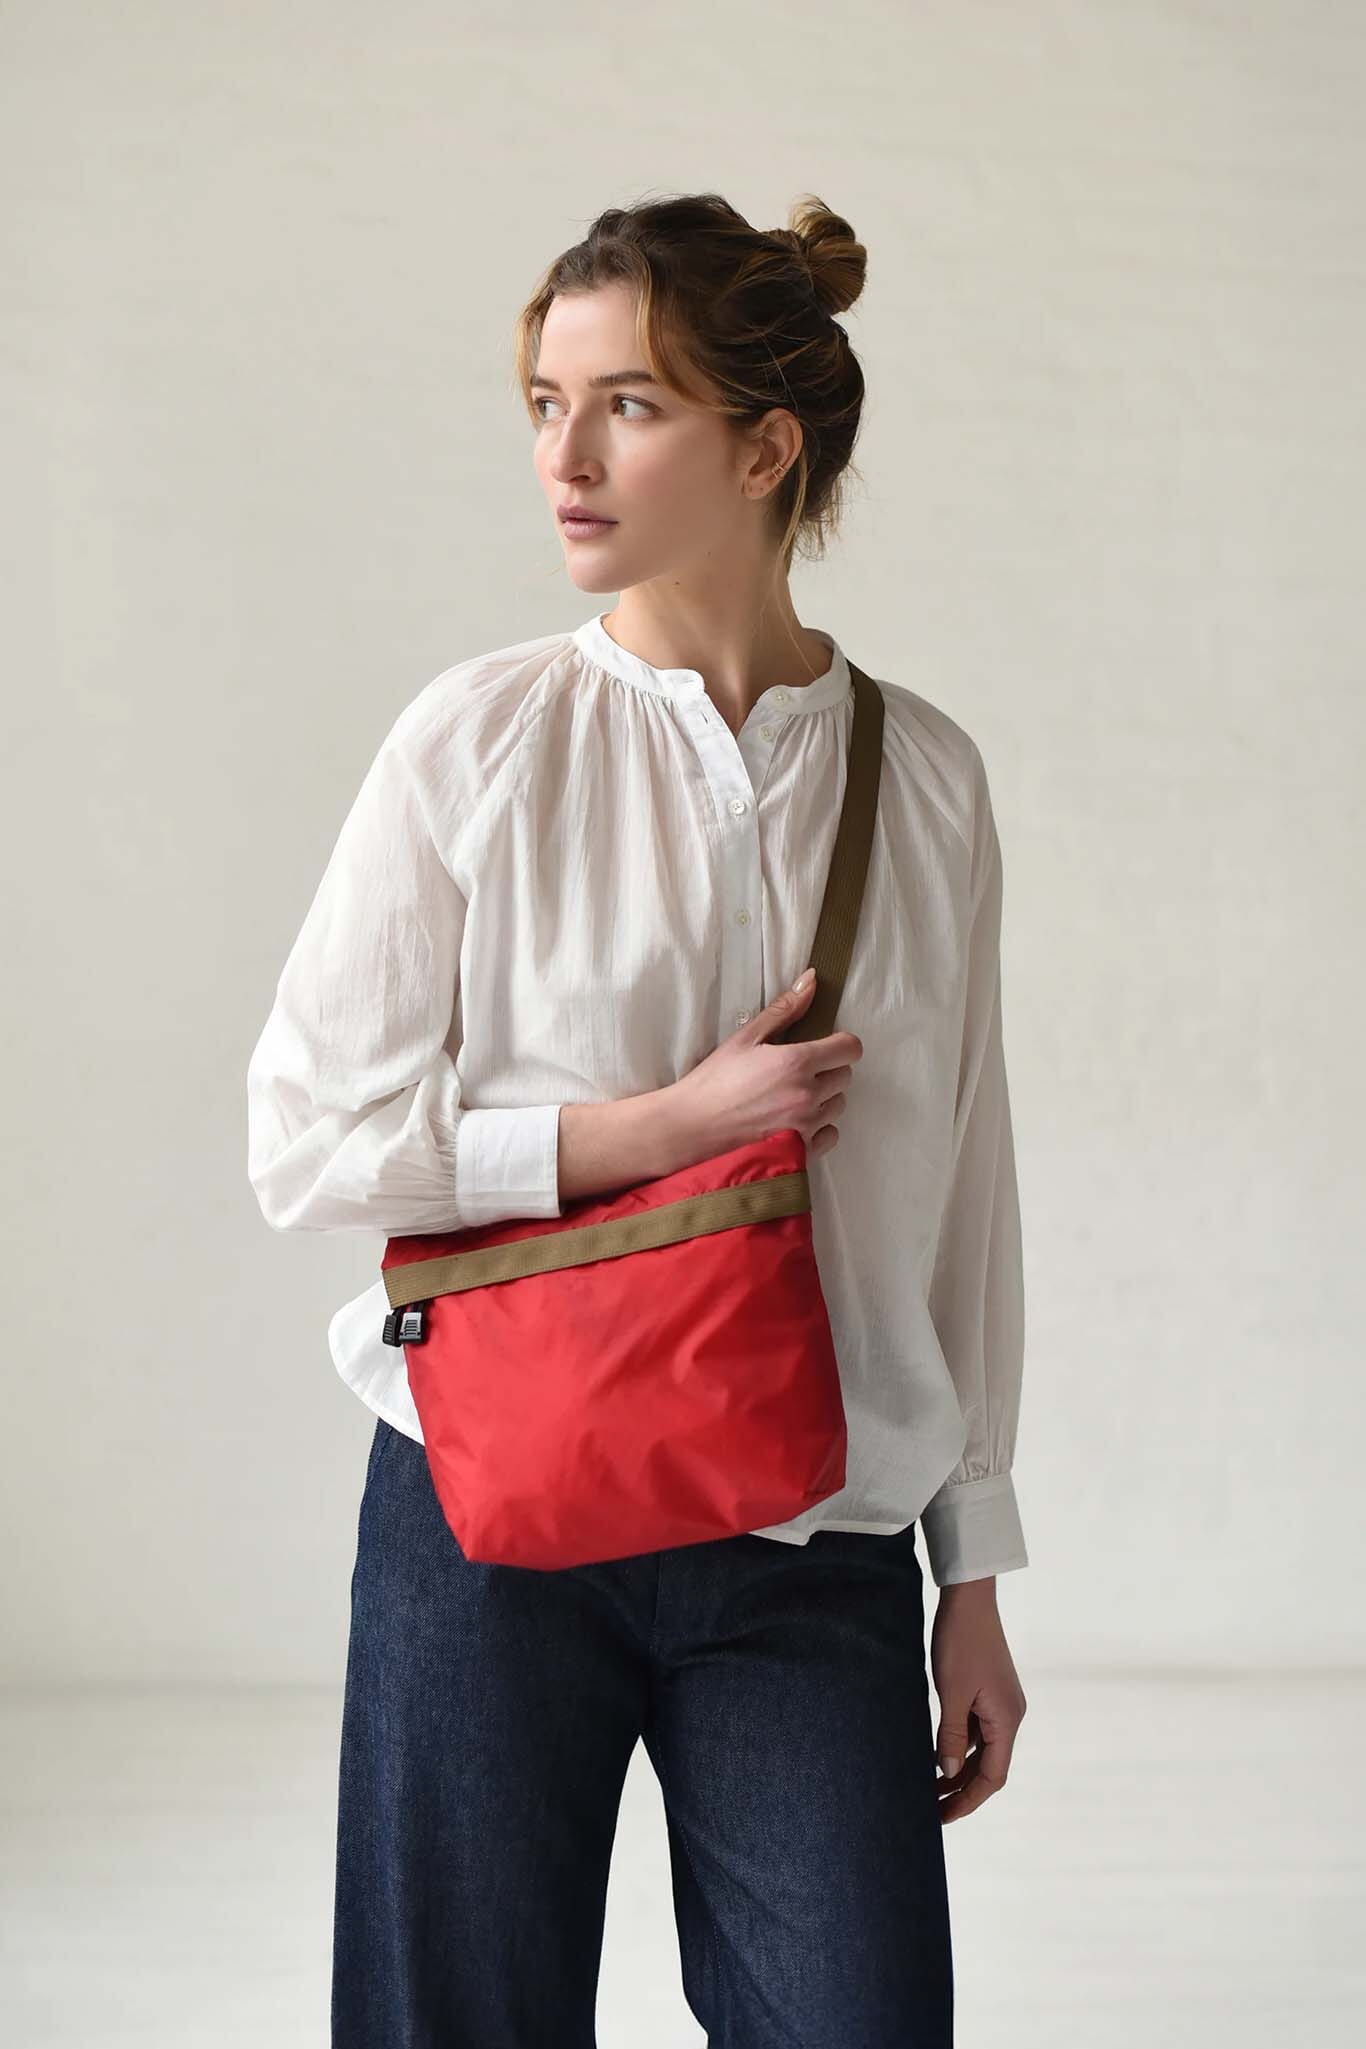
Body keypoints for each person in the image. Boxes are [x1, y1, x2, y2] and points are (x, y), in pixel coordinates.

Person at [247, 190, 1029, 2048]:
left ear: (764, 448)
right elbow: (309, 1134)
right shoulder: (479, 738)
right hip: (488, 1507)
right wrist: (648, 1128)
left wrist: (972, 1569)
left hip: (813, 1530)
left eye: (626, 407)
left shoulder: (921, 777)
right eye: (542, 401)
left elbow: (961, 1191)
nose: (564, 458)